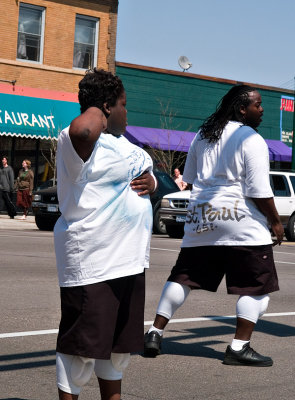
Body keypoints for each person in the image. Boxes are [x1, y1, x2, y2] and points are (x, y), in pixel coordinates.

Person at [144, 85, 284, 367]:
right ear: (242, 109)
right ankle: (239, 347)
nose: (262, 109)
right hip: (241, 222)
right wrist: (275, 221)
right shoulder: (251, 138)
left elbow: (193, 180)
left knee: (183, 277)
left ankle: (154, 332)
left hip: (201, 215)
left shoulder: (203, 135)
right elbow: (258, 189)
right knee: (257, 287)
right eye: (258, 104)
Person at [54, 68, 157, 400]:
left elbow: (150, 176)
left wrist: (153, 183)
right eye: (123, 105)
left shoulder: (124, 144)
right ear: (109, 107)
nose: (128, 113)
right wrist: (100, 104)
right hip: (93, 264)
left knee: (117, 351)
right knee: (79, 353)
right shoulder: (75, 141)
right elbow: (84, 129)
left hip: (128, 263)